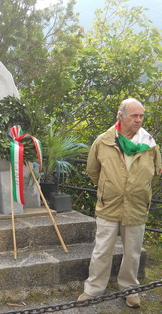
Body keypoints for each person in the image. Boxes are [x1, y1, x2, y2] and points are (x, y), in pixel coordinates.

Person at [78, 98, 161, 308]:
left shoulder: (149, 144)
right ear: (121, 116)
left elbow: (155, 173)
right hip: (109, 204)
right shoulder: (103, 141)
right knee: (102, 249)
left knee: (133, 252)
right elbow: (93, 170)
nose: (138, 120)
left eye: (141, 115)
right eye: (134, 115)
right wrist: (109, 188)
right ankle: (93, 289)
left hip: (137, 206)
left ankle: (130, 290)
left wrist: (139, 190)